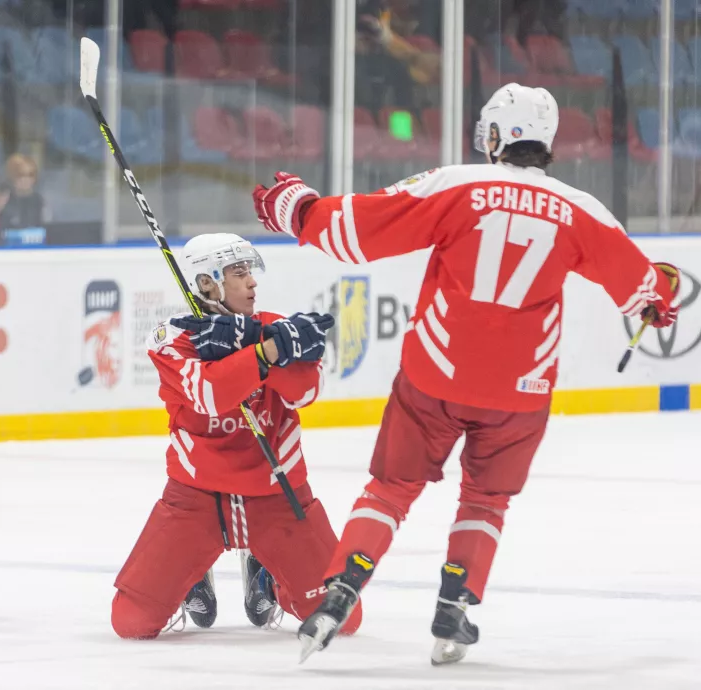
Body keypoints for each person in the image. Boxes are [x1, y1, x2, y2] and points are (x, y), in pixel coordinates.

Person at [252, 83, 682, 665]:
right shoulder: (582, 209)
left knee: (391, 488)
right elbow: (645, 291)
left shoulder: (457, 184)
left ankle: (341, 589)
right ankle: (454, 605)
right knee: (486, 499)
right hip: (521, 392)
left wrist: (299, 210)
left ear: (497, 135)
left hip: (436, 376)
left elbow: (362, 230)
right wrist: (658, 296)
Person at [111, 232, 364, 640]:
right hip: (196, 498)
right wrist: (266, 352)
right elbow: (209, 395)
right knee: (131, 621)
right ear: (206, 283)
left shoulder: (277, 326)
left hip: (277, 494)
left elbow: (305, 392)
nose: (252, 281)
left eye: (250, 270)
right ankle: (191, 573)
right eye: (238, 272)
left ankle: (266, 576)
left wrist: (249, 340)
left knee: (343, 618)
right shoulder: (171, 339)